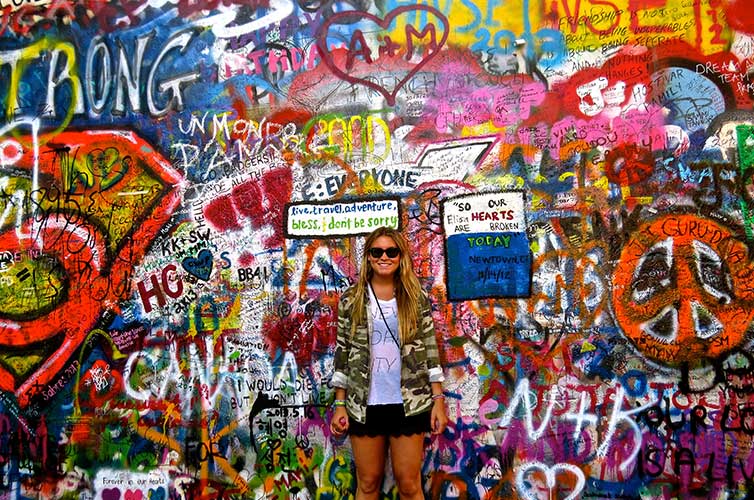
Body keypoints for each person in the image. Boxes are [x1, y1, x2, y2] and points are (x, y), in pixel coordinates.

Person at [330, 226, 448, 500]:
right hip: (363, 405)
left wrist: (438, 400)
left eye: (391, 251)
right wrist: (339, 404)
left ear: (400, 256)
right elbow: (342, 353)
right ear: (368, 257)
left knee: (409, 484)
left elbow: (430, 349)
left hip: (410, 402)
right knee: (369, 483)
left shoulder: (415, 297)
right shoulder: (352, 299)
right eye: (377, 251)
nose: (384, 257)